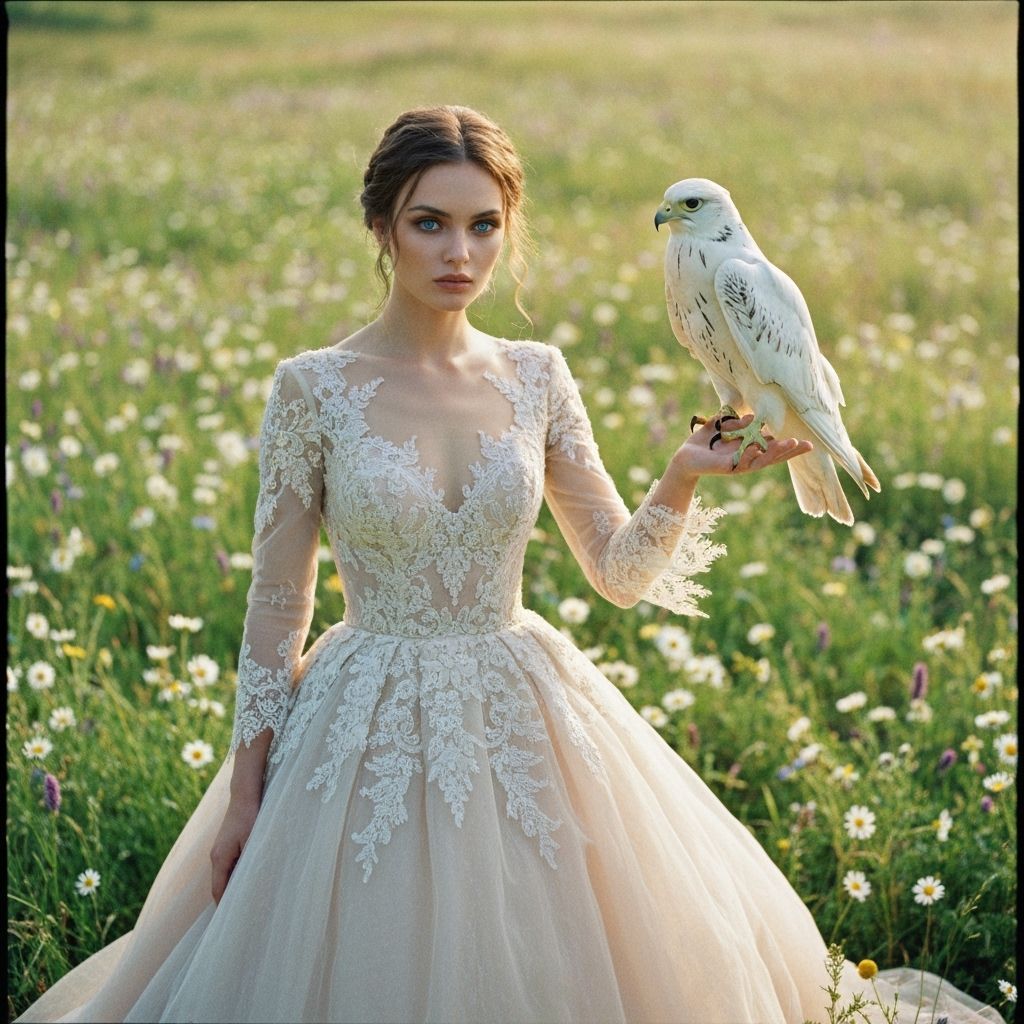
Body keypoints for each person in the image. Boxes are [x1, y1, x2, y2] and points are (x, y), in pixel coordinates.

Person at [16, 105, 1000, 1024]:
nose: (459, 253)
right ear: (382, 227)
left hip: (524, 702)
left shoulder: (536, 375)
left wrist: (682, 476)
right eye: (429, 223)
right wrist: (243, 799)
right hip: (356, 724)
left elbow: (616, 568)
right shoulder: (311, 390)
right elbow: (277, 608)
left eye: (483, 226)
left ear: (507, 229)